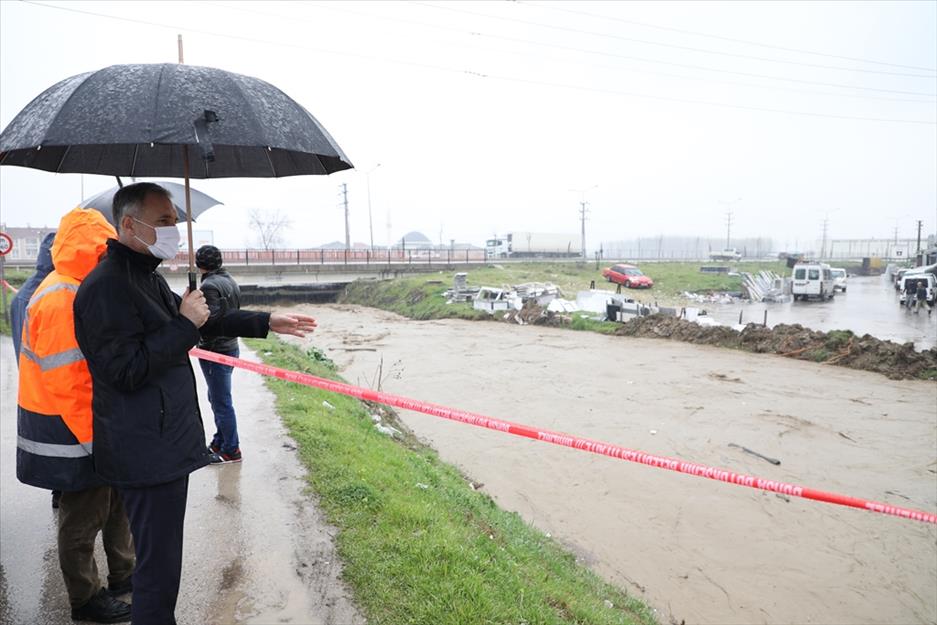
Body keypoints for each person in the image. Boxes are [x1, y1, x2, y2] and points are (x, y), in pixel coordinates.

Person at [73, 182, 317, 625]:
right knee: (158, 569)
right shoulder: (106, 287)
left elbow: (204, 321)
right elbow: (126, 369)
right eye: (164, 221)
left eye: (175, 220)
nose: (174, 230)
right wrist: (184, 324)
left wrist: (266, 321)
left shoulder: (144, 276)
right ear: (129, 224)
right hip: (146, 450)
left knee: (163, 562)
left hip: (164, 441)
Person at [17, 208, 134, 623]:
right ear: (90, 249)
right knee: (82, 517)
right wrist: (97, 440)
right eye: (105, 251)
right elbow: (70, 381)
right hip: (70, 428)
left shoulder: (80, 287)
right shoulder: (61, 297)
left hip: (89, 423)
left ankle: (125, 575)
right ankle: (85, 599)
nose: (110, 258)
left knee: (115, 503)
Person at [10, 231, 63, 509]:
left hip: (32, 382)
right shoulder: (54, 294)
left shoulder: (23, 295)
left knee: (51, 443)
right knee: (64, 441)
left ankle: (58, 490)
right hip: (54, 380)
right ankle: (64, 493)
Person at [195, 244, 244, 463]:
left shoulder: (209, 286)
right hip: (231, 347)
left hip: (215, 351)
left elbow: (210, 322)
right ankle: (219, 441)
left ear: (199, 264)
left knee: (221, 402)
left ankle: (231, 450)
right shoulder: (229, 280)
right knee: (216, 398)